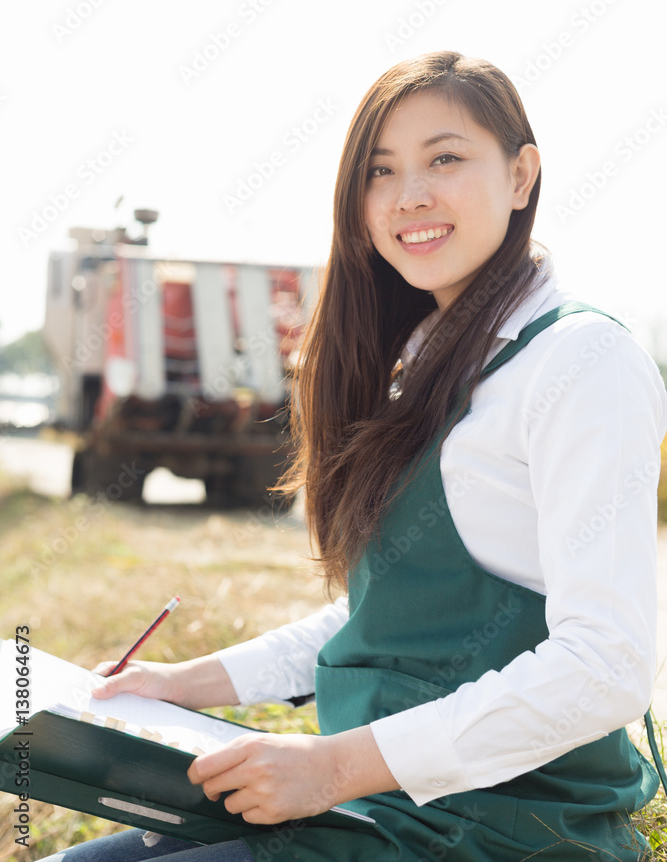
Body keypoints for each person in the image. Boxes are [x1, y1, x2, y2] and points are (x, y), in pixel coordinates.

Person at [38, 51, 667, 861]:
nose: (408, 195)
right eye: (380, 170)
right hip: (377, 808)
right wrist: (178, 685)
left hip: (500, 834)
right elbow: (385, 618)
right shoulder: (421, 355)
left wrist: (329, 767)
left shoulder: (578, 360)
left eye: (444, 158)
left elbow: (605, 667)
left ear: (520, 176)